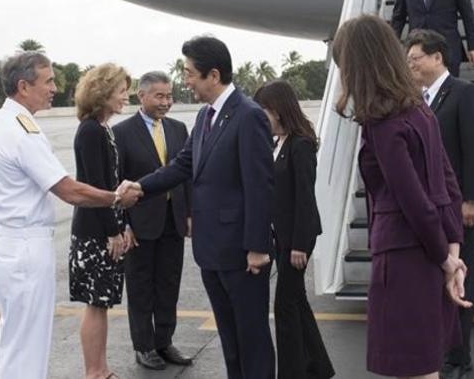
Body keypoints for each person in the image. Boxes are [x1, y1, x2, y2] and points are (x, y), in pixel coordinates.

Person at [0, 51, 140, 379]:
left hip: (10, 243)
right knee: (28, 344)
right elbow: (68, 190)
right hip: (25, 246)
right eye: (48, 81)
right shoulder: (23, 130)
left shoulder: (4, 122)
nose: (55, 87)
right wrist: (116, 198)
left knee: (17, 340)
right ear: (24, 86)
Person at [124, 36, 276, 378]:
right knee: (230, 337)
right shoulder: (207, 116)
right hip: (212, 250)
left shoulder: (248, 116)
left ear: (214, 74)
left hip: (241, 252)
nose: (186, 81)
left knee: (252, 337)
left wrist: (257, 247)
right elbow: (182, 165)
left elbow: (260, 186)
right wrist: (139, 186)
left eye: (190, 73)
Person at [331, 14, 471, 379]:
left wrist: (445, 259)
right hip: (433, 250)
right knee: (427, 364)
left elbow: (413, 202)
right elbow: (447, 183)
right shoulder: (419, 109)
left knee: (412, 368)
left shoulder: (383, 122)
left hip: (406, 256)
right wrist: (452, 251)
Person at [405, 31, 474, 379]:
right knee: (435, 282)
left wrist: (471, 198)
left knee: (459, 280)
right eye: (408, 61)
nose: (410, 66)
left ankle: (459, 357)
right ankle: (438, 352)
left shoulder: (464, 94)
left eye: (416, 59)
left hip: (458, 206)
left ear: (437, 58)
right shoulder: (414, 99)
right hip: (429, 207)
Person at [253, 80, 335, 379]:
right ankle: (317, 366)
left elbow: (304, 196)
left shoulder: (301, 144)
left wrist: (300, 244)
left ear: (277, 110)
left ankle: (292, 372)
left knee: (285, 305)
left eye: (263, 112)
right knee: (297, 302)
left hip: (298, 237)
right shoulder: (279, 142)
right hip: (283, 236)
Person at [114, 71, 194, 370]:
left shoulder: (178, 129)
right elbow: (116, 185)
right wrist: (123, 224)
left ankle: (164, 341)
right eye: (159, 96)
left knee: (169, 284)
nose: (166, 102)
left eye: (169, 96)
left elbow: (186, 176)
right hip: (140, 225)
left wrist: (189, 214)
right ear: (141, 96)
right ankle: (144, 345)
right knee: (140, 287)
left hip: (173, 221)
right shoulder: (121, 133)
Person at [70, 63, 133, 379]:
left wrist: (121, 225)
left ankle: (101, 369)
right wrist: (113, 232)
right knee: (95, 303)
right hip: (95, 231)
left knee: (101, 302)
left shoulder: (100, 128)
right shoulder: (92, 130)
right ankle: (94, 372)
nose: (126, 96)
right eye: (121, 91)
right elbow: (97, 186)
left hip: (102, 226)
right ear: (104, 92)